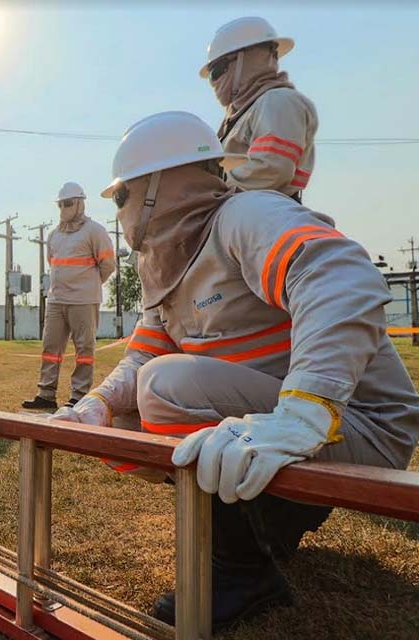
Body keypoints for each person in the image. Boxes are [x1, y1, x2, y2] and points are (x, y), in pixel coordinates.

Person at [53, 111, 419, 631]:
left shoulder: (245, 217)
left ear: (159, 185)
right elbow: (143, 354)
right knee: (121, 423)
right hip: (287, 425)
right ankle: (273, 520)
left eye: (122, 195)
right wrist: (98, 404)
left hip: (358, 423)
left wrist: (306, 407)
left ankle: (242, 570)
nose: (121, 210)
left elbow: (340, 276)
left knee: (167, 387)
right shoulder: (165, 260)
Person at [22, 182, 115, 410]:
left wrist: (89, 286)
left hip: (83, 300)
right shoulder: (53, 235)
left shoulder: (95, 231)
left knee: (84, 350)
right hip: (56, 300)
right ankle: (46, 393)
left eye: (68, 203)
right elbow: (53, 264)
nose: (64, 208)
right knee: (50, 348)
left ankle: (79, 395)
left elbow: (108, 265)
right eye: (61, 204)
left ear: (80, 204)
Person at [202, 16, 317, 200]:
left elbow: (271, 169)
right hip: (240, 215)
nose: (214, 82)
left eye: (217, 71)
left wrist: (210, 196)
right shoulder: (242, 114)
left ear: (245, 60)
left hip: (259, 217)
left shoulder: (279, 101)